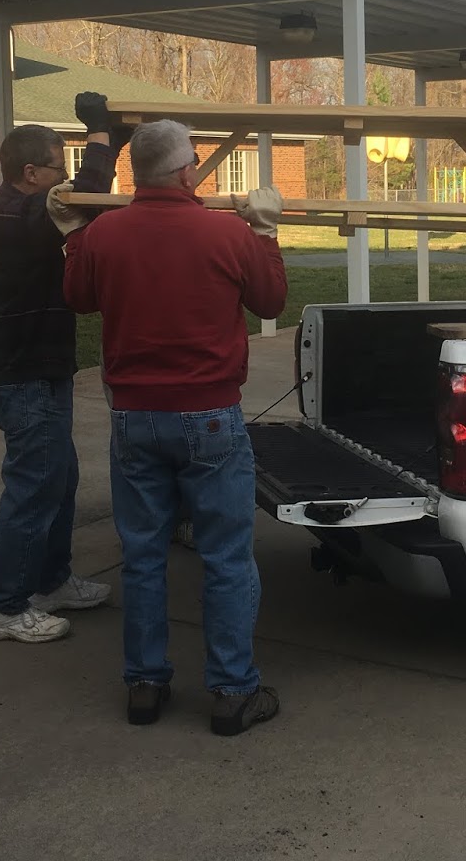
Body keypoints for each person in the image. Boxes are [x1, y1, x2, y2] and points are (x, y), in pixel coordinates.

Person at [59, 120, 288, 735]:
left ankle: (145, 685)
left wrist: (75, 238)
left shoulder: (106, 232)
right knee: (227, 558)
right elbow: (270, 302)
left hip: (133, 417)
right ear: (188, 172)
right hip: (210, 416)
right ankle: (233, 692)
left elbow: (78, 296)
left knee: (141, 556)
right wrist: (265, 231)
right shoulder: (226, 231)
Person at [0, 94, 127, 644]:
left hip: (37, 372)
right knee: (34, 488)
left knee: (59, 481)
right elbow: (86, 196)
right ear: (31, 172)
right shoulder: (18, 214)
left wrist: (113, 142)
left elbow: (85, 195)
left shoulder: (24, 210)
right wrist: (101, 135)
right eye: (59, 166)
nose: (65, 177)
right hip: (24, 379)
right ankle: (3, 608)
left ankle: (51, 582)